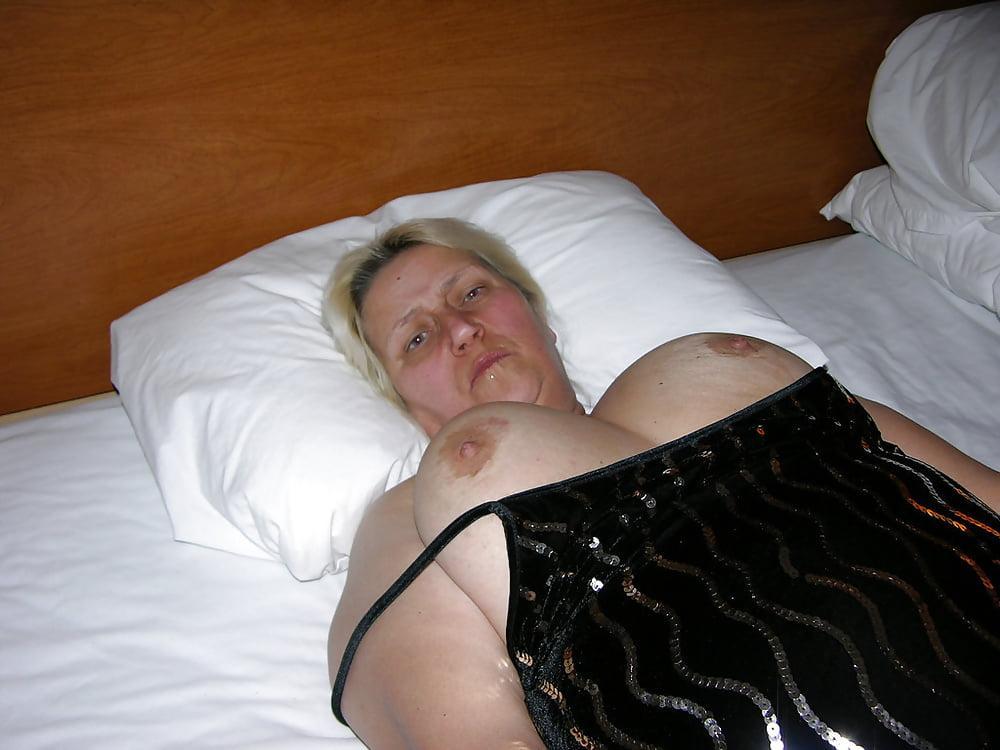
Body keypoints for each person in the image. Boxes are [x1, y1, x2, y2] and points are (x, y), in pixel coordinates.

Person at [325, 218, 999, 750]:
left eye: (472, 293)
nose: (461, 329)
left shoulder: (714, 381)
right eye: (417, 339)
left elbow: (957, 493)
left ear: (535, 312)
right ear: (407, 407)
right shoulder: (413, 513)